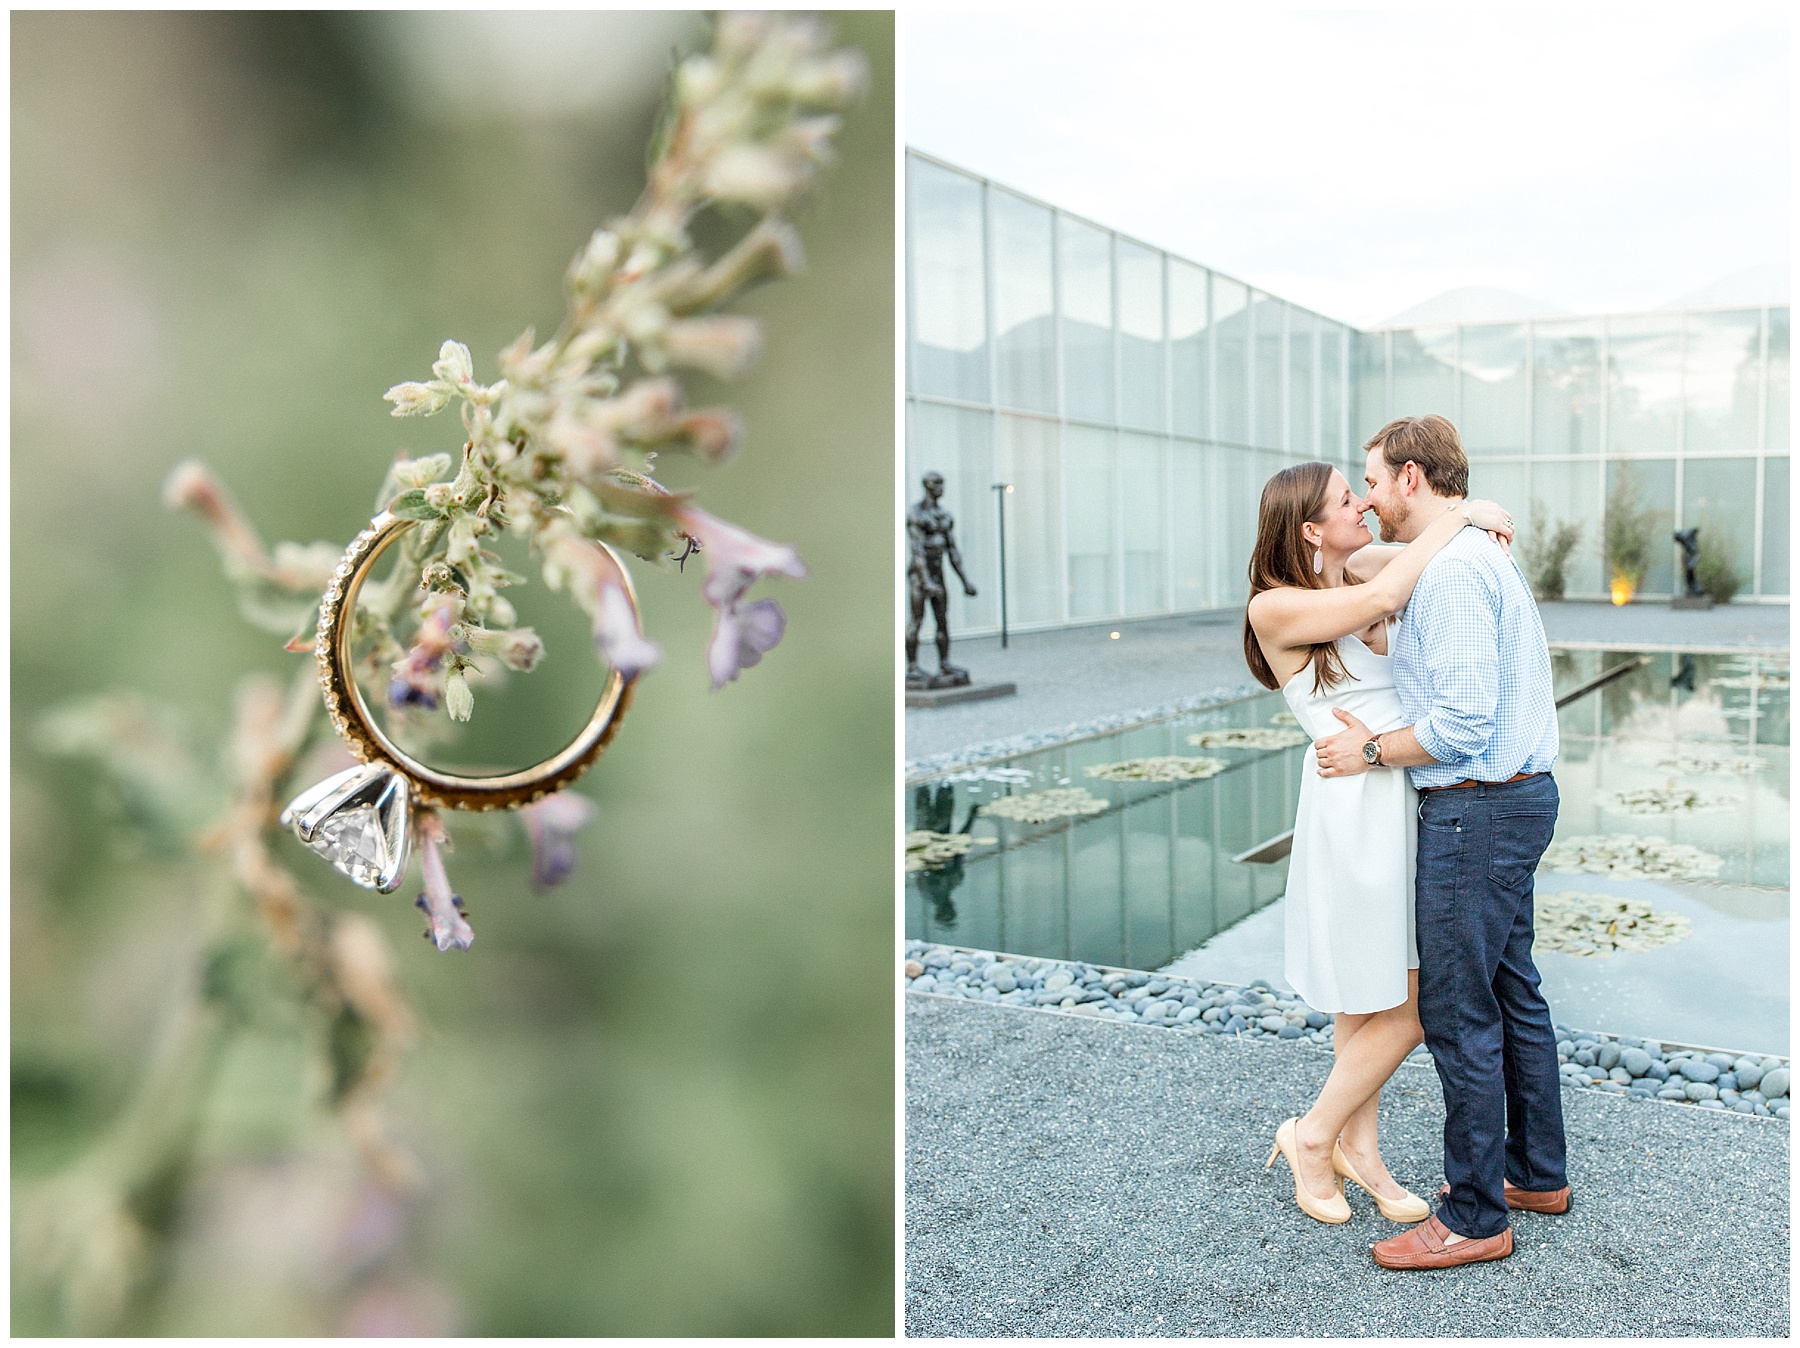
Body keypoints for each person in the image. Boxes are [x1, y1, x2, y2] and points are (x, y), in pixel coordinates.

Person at [1314, 415, 1566, 1271]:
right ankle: (1536, 1174)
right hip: (1517, 799)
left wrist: (1371, 750)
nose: (1372, 497)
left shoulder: (1455, 573)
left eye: (1376, 481)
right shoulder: (1467, 556)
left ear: (1413, 477)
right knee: (1514, 990)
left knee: (1460, 1013)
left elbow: (1461, 725)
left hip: (1477, 808)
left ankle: (1473, 1216)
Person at [1245, 457, 1514, 1230]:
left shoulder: (1347, 572)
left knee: (1369, 999)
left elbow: (1415, 565)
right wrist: (1461, 518)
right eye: (1345, 499)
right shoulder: (1277, 608)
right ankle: (1312, 1134)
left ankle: (1358, 1148)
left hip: (1391, 793)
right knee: (1407, 1006)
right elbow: (1397, 587)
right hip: (1354, 810)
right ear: (1308, 528)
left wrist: (1471, 516)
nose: (1363, 504)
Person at [906, 472, 977, 689]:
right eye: (936, 484)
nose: (941, 488)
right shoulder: (916, 514)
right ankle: (912, 667)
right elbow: (917, 551)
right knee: (917, 620)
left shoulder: (945, 515)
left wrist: (965, 581)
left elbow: (953, 551)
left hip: (938, 573)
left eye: (942, 484)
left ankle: (945, 663)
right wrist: (925, 581)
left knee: (942, 620)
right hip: (920, 576)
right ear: (926, 486)